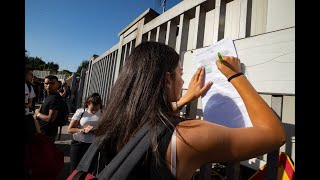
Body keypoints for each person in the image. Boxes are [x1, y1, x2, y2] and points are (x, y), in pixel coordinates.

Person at [92, 41, 286, 179]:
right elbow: (274, 135)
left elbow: (151, 119)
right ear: (168, 79)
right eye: (180, 73)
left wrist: (187, 98)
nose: (183, 81)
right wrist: (235, 75)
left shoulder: (113, 123)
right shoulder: (187, 136)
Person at [67, 93, 103, 173]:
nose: (94, 111)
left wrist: (97, 131)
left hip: (93, 145)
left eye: (96, 109)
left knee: (89, 171)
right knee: (74, 170)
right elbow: (70, 129)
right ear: (87, 104)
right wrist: (82, 130)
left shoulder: (103, 113)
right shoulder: (81, 112)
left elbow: (106, 128)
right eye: (92, 109)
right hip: (78, 144)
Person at [34, 75, 65, 141]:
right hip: (43, 131)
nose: (49, 85)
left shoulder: (55, 98)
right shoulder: (50, 96)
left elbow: (50, 118)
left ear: (58, 85)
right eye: (46, 83)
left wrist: (38, 113)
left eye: (52, 83)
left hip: (47, 133)